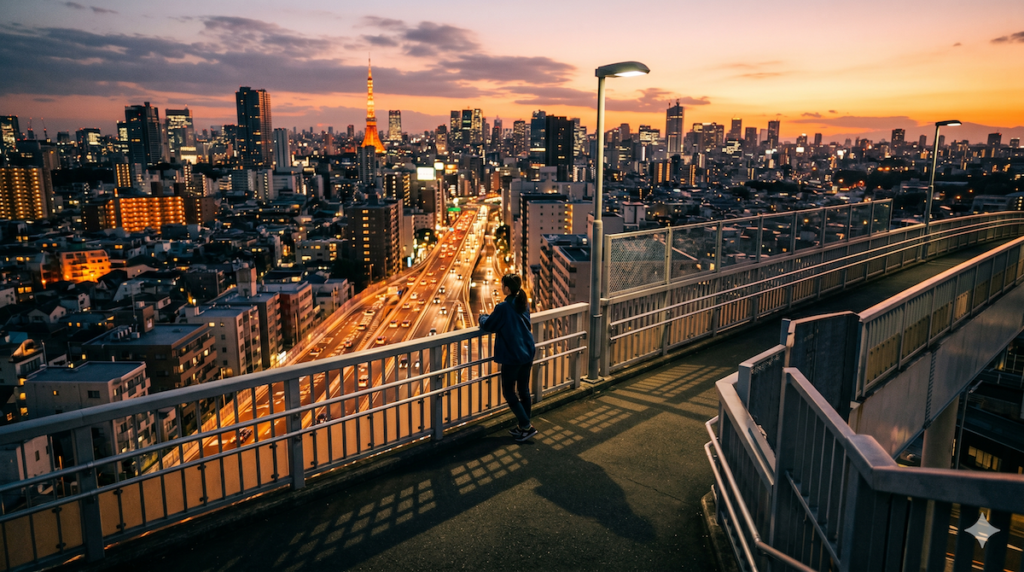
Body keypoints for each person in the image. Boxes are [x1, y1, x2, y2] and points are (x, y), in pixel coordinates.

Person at [478, 273, 538, 442]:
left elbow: (489, 325)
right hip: (527, 350)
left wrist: (482, 317)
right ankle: (524, 427)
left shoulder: (503, 307)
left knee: (508, 392)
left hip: (513, 354)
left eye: (502, 284)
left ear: (507, 288)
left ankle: (526, 426)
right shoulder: (523, 302)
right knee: (523, 390)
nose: (501, 287)